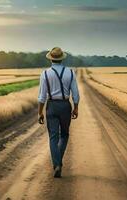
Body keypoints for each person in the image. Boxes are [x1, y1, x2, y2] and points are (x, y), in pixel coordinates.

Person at [38, 47, 80, 178]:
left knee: (53, 137)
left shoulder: (45, 74)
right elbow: (76, 94)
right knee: (65, 134)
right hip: (65, 106)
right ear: (62, 58)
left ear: (50, 58)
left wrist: (40, 112)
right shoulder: (70, 73)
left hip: (51, 106)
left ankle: (57, 164)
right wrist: (76, 107)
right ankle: (58, 162)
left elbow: (41, 96)